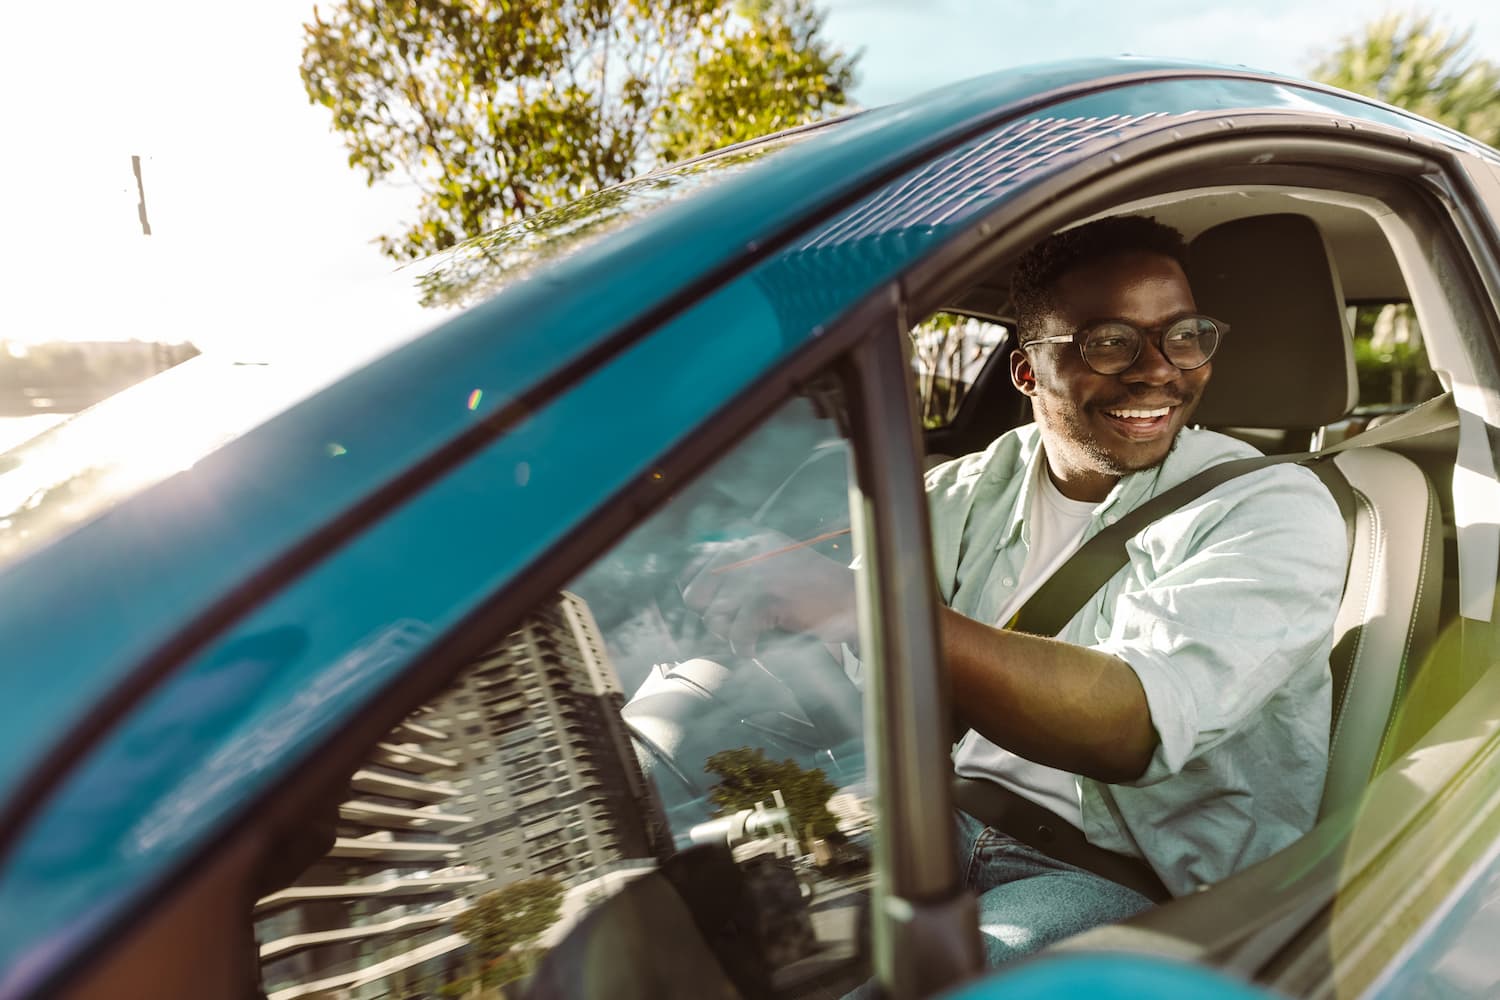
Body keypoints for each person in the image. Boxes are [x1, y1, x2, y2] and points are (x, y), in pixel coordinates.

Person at [684, 215, 1347, 966]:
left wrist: (859, 607)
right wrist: (756, 603)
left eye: (1184, 335)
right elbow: (858, 651)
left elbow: (1130, 725)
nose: (1159, 369)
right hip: (929, 817)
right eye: (1109, 341)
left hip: (1109, 878)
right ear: (1028, 371)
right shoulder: (970, 487)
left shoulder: (1270, 508)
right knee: (687, 931)